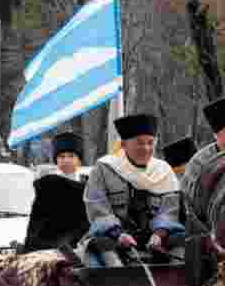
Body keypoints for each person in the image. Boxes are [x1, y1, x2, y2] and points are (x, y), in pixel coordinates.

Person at [77, 113, 184, 268]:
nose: (146, 148)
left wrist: (159, 234)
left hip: (155, 239)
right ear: (124, 144)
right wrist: (118, 234)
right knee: (100, 249)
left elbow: (170, 211)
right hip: (113, 236)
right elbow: (97, 208)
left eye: (150, 143)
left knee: (184, 243)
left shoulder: (164, 171)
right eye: (140, 143)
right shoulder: (104, 168)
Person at [22, 132, 90, 252]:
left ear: (79, 160)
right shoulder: (47, 186)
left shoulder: (89, 186)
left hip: (82, 249)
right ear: (56, 160)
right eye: (61, 156)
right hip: (51, 250)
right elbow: (36, 222)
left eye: (71, 156)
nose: (66, 160)